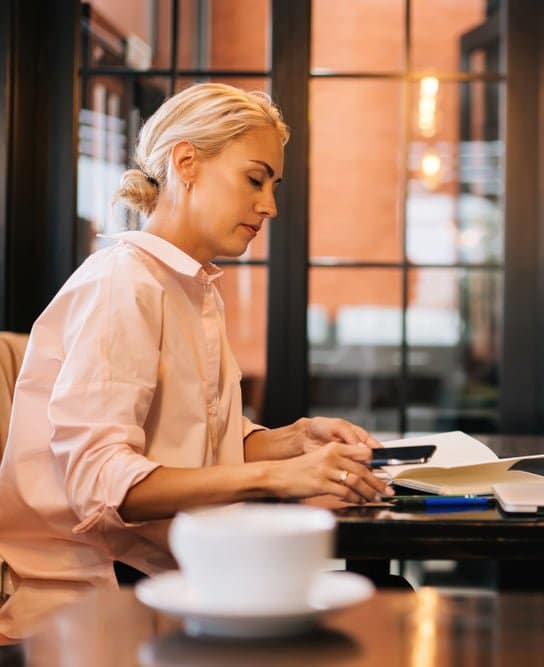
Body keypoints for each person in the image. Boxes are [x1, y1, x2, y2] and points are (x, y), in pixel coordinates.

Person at [0, 83, 393, 640]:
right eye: (255, 179)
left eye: (273, 186)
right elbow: (104, 485)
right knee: (371, 618)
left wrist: (294, 440)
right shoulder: (123, 284)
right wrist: (277, 478)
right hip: (92, 603)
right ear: (186, 162)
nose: (270, 205)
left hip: (169, 576)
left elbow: (197, 439)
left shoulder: (192, 288)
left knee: (377, 606)